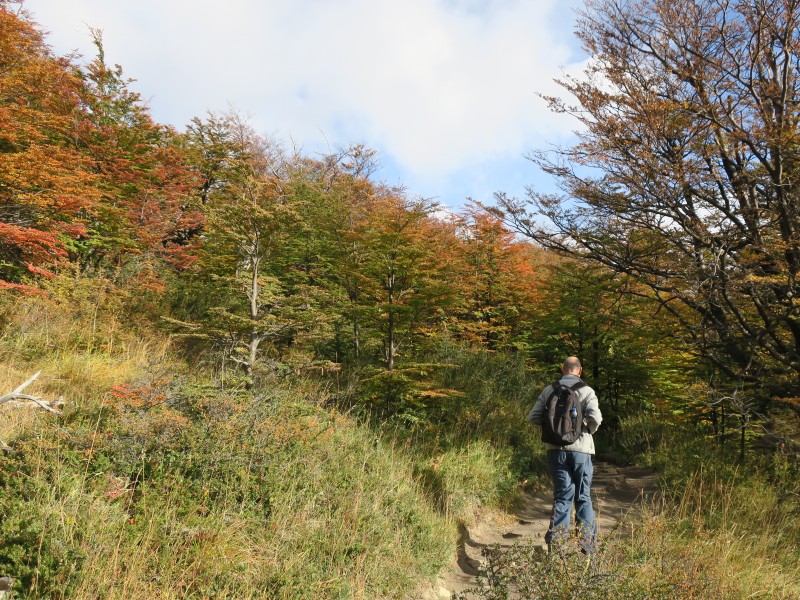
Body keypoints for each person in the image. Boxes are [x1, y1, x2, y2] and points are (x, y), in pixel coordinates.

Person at [528, 356, 602, 554]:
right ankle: (587, 546)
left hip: (555, 451)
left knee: (562, 497)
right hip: (581, 451)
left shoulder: (549, 389)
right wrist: (586, 430)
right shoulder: (587, 391)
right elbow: (595, 418)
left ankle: (557, 546)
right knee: (583, 496)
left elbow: (533, 417)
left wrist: (553, 430)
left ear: (563, 369)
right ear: (580, 370)